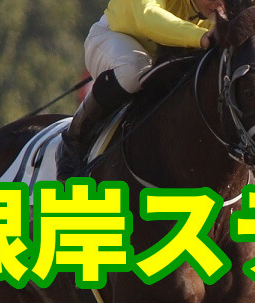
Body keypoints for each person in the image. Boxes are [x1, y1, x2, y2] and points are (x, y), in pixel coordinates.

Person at [57, 0, 228, 180]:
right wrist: (200, 36)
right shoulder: (200, 30)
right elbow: (147, 15)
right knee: (134, 69)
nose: (220, 2)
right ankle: (73, 143)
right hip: (112, 38)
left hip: (158, 61)